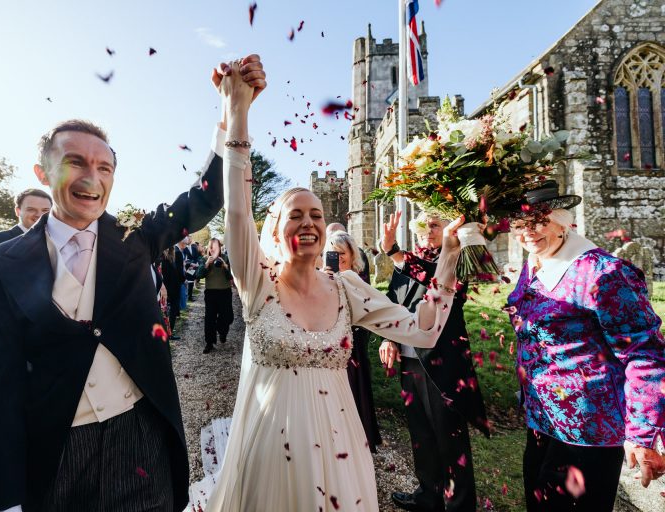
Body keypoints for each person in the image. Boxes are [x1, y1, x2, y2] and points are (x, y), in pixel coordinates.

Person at [0, 55, 266, 512]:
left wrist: (231, 111)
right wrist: (4, 500)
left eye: (104, 167)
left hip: (139, 436)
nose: (92, 179)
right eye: (75, 163)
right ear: (43, 173)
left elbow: (205, 197)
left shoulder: (134, 240)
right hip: (56, 452)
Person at [199, 61, 463, 511]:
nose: (308, 223)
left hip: (340, 446)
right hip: (271, 448)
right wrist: (238, 110)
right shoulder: (257, 283)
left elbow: (423, 330)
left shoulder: (346, 288)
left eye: (316, 215)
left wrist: (451, 256)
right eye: (295, 215)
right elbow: (239, 211)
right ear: (276, 230)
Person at [504, 181, 665, 511]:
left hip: (588, 429)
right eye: (520, 225)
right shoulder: (535, 264)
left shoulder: (604, 273)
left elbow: (644, 353)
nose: (528, 233)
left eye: (539, 221)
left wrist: (642, 432)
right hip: (542, 419)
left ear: (562, 221)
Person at [379, 211, 489, 512]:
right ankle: (428, 494)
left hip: (443, 364)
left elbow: (436, 277)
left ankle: (459, 505)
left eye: (435, 226)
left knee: (449, 438)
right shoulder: (408, 262)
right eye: (422, 226)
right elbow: (393, 303)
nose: (428, 232)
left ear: (448, 230)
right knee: (421, 433)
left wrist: (395, 253)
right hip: (411, 360)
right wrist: (389, 339)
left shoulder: (458, 260)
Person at [324, 230, 382, 452]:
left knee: (354, 387)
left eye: (342, 253)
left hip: (353, 344)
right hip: (330, 344)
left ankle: (359, 439)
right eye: (333, 253)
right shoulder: (323, 277)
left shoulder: (358, 279)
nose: (337, 257)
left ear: (351, 253)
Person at [0, 188, 52, 255]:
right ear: (17, 211)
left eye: (45, 210)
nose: (39, 215)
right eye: (31, 209)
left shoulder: (55, 240)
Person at [196, 238, 234, 354]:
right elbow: (199, 274)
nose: (213, 249)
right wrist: (207, 264)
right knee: (209, 318)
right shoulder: (204, 259)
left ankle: (222, 331)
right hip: (211, 293)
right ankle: (209, 343)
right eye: (211, 247)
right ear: (209, 248)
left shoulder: (226, 258)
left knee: (228, 317)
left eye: (216, 247)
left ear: (220, 247)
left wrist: (226, 268)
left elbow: (230, 278)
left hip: (225, 292)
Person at [160, 246, 184, 340]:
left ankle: (169, 332)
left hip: (173, 288)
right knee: (168, 311)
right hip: (165, 289)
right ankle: (167, 333)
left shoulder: (172, 256)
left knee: (171, 311)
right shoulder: (162, 258)